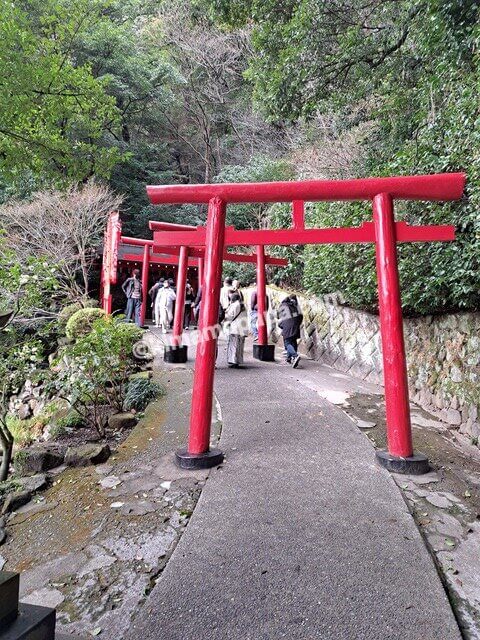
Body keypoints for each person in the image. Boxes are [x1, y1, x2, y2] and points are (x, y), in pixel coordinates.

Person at [277, 294, 303, 368]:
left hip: (287, 326)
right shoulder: (296, 306)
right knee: (293, 341)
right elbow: (301, 316)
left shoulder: (283, 305)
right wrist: (297, 323)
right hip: (296, 325)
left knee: (287, 342)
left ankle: (295, 355)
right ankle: (290, 358)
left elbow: (278, 316)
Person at [224, 292, 249, 367]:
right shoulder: (243, 305)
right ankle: (238, 360)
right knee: (240, 346)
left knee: (234, 345)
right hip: (242, 328)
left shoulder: (235, 305)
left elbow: (230, 316)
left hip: (235, 328)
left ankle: (233, 361)